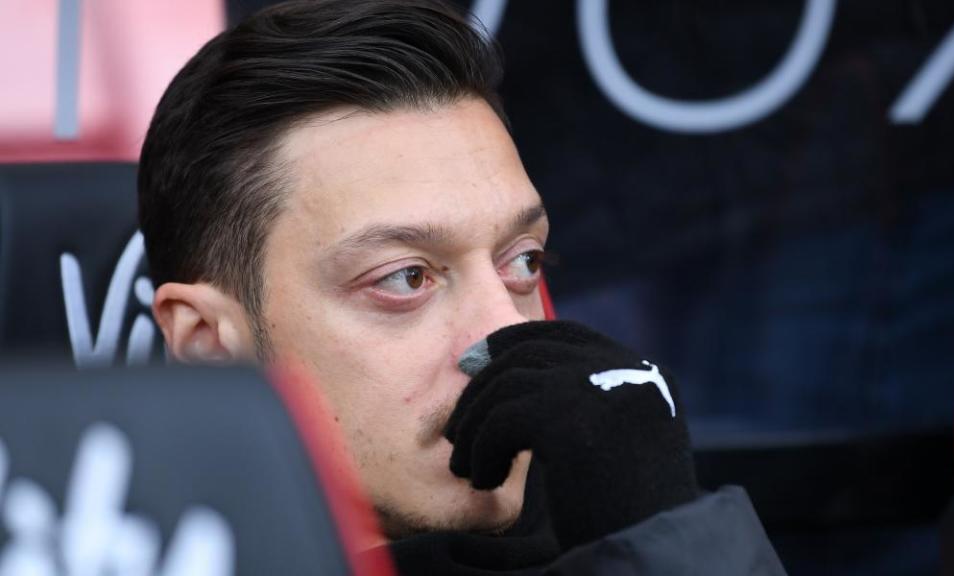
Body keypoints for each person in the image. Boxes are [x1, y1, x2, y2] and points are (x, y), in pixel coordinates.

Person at [138, 0, 786, 573]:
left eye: (523, 263)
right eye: (405, 278)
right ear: (207, 346)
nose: (504, 331)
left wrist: (656, 529)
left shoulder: (625, 539)